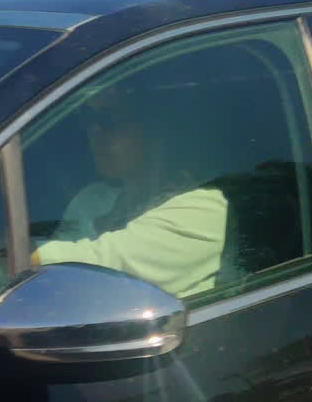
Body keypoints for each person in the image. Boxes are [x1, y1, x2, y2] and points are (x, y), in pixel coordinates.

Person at [31, 89, 228, 298]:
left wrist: (6, 255)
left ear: (155, 129)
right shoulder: (91, 200)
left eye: (109, 121)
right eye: (89, 120)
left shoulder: (203, 209)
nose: (95, 133)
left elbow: (96, 271)